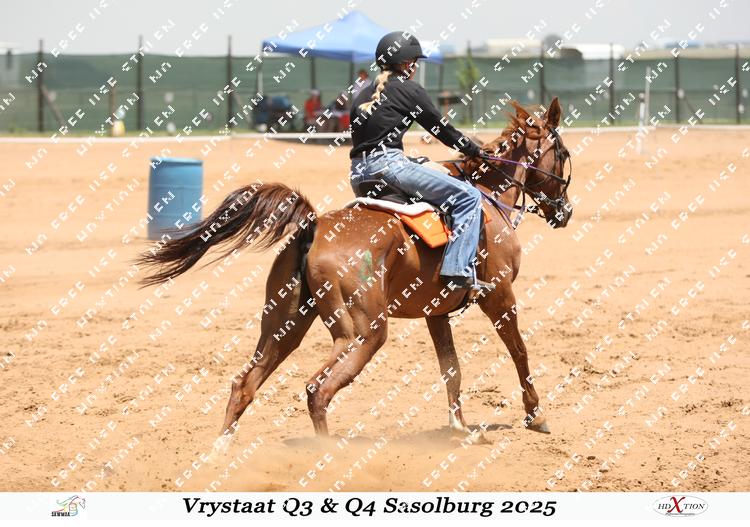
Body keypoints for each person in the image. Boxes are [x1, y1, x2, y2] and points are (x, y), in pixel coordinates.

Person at [349, 31, 494, 294]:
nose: (415, 68)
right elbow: (442, 129)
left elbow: (368, 141)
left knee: (423, 165)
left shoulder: (362, 94)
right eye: (415, 63)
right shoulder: (409, 89)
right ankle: (458, 271)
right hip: (389, 167)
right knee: (469, 197)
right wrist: (474, 150)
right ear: (407, 64)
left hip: (358, 174)